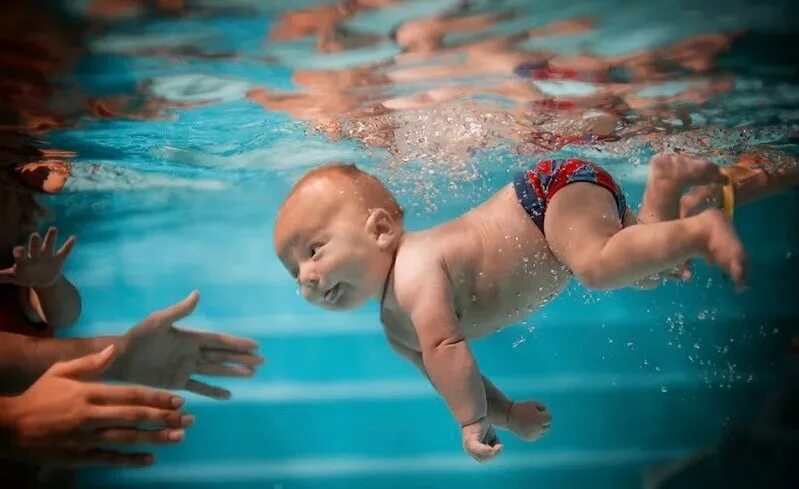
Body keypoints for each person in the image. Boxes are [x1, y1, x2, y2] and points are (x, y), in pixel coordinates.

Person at [271, 151, 793, 462]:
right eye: (295, 273)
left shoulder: (414, 269)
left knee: (598, 266)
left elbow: (446, 346)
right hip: (555, 221)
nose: (309, 277)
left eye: (313, 251)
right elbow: (452, 377)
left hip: (546, 197)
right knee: (643, 272)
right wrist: (509, 414)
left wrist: (473, 424)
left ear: (381, 230)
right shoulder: (394, 328)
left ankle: (702, 229)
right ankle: (665, 184)